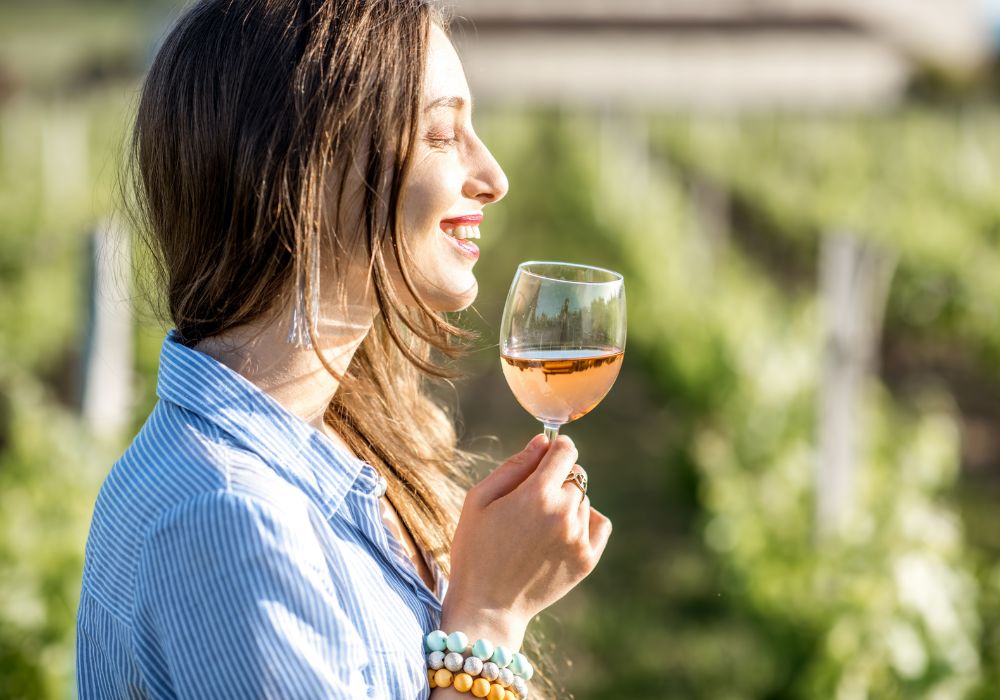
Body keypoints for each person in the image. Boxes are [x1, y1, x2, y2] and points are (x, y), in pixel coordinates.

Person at [76, 0, 613, 697]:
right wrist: (489, 619)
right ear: (310, 165)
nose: (493, 175)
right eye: (444, 134)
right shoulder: (229, 522)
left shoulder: (336, 441)